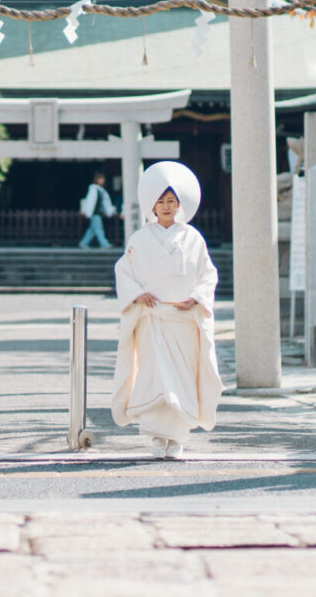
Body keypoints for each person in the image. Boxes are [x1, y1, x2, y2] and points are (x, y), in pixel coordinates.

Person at [110, 160, 222, 459]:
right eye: (161, 201)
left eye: (172, 201)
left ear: (179, 204)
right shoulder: (139, 239)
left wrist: (197, 298)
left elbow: (207, 274)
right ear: (152, 205)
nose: (167, 206)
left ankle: (177, 438)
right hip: (152, 319)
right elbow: (124, 271)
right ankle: (156, 438)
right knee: (153, 376)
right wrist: (137, 293)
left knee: (181, 378)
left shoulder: (193, 238)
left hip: (183, 319)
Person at [78, 171, 116, 248]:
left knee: (92, 230)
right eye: (101, 179)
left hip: (97, 212)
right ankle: (104, 243)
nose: (102, 181)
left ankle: (83, 243)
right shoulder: (94, 190)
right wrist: (87, 211)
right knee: (99, 229)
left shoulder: (100, 190)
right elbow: (90, 202)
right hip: (95, 212)